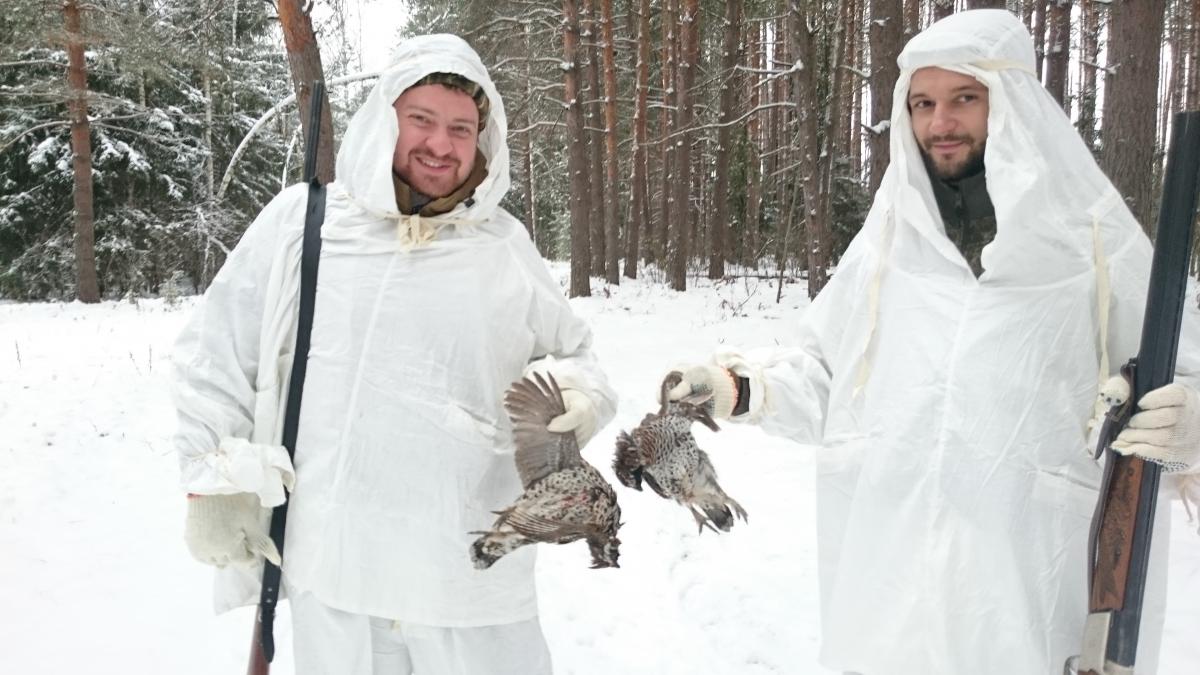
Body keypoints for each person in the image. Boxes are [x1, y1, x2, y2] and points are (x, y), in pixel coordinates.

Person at [664, 10, 1200, 675]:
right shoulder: (890, 242)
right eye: (923, 103)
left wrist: (1189, 425)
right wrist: (741, 388)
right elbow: (829, 378)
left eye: (964, 98)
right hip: (889, 592)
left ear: (1010, 101)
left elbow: (1181, 373)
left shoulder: (1093, 242)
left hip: (1027, 594)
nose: (940, 122)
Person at [172, 34, 616, 675]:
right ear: (386, 120)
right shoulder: (306, 224)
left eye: (461, 128)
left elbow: (575, 356)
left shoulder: (502, 246)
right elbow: (216, 355)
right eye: (422, 119)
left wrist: (576, 394)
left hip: (469, 576)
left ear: (483, 139)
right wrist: (214, 479)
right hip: (338, 571)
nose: (441, 143)